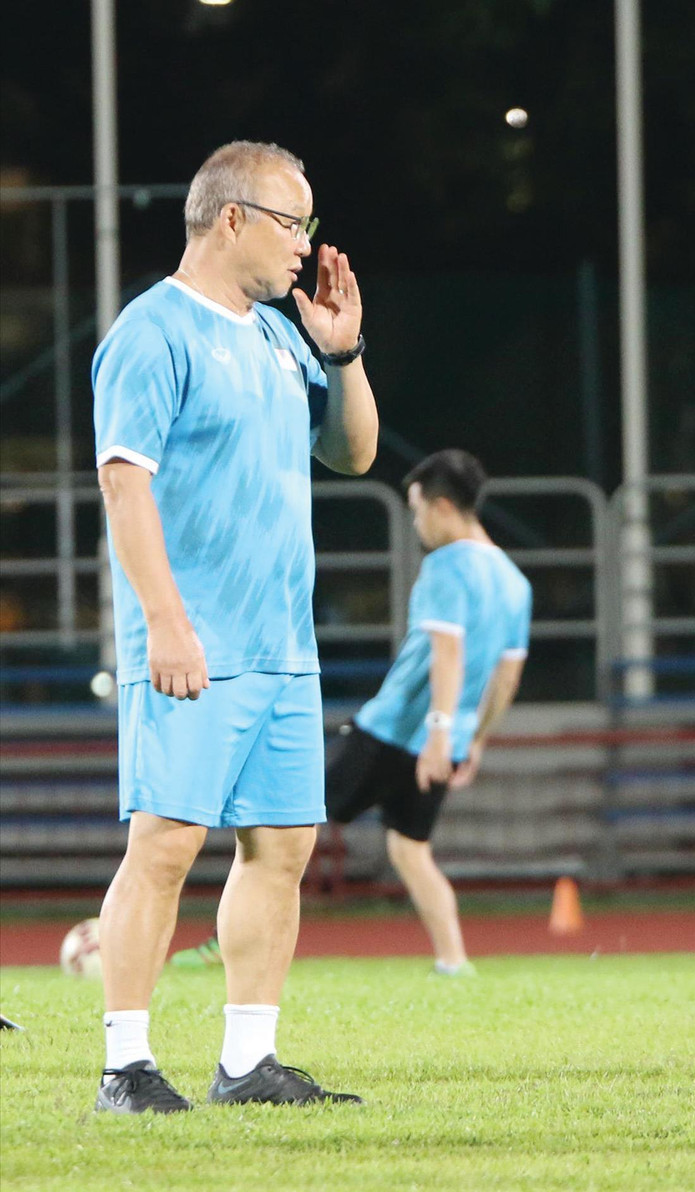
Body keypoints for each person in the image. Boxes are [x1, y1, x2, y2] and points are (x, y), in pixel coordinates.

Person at [92, 141, 378, 1112]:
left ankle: (248, 1062)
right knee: (165, 844)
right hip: (193, 641)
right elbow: (124, 483)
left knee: (282, 848)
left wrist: (342, 352)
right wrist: (165, 624)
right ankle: (125, 1066)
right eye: (292, 222)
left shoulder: (280, 338)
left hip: (283, 645)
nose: (305, 243)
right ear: (231, 219)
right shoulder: (153, 332)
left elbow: (353, 452)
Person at [324, 449, 531, 975]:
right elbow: (506, 679)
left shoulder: (445, 566)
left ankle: (229, 942)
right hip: (448, 741)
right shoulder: (515, 582)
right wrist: (473, 740)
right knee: (411, 849)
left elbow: (447, 653)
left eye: (417, 511)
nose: (416, 524)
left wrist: (437, 733)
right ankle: (454, 962)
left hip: (393, 730)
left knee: (291, 825)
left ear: (442, 507)